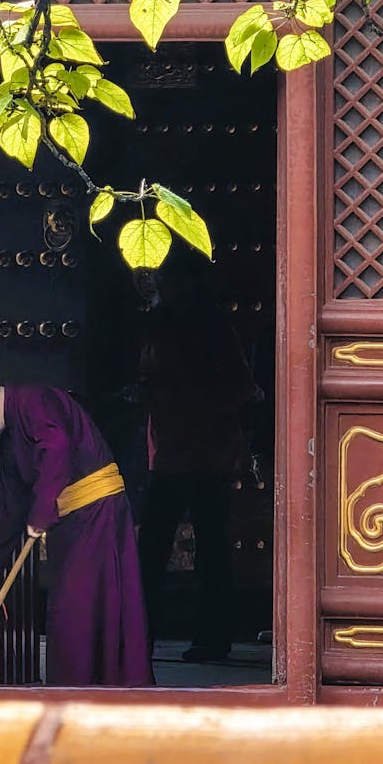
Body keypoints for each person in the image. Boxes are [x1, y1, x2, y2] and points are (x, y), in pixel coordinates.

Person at [0, 376, 152, 687]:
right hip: (70, 527)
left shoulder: (39, 400)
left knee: (80, 609)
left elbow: (56, 448)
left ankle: (98, 686)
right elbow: (5, 508)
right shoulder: (11, 441)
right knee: (69, 611)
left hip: (98, 514)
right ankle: (78, 686)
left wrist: (42, 510)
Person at [136, 255, 257, 663]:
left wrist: (191, 400)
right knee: (152, 546)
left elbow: (240, 386)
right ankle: (140, 631)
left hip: (207, 452)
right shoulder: (157, 324)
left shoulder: (214, 325)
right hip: (169, 451)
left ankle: (212, 636)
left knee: (210, 547)